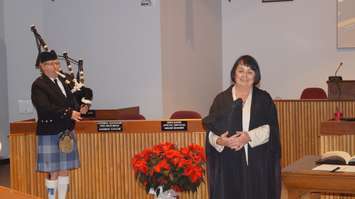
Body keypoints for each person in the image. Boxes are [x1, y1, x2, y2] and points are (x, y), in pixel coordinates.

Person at [202, 55, 281, 199]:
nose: (245, 75)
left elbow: (272, 129)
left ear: (256, 76)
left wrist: (248, 137)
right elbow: (210, 133)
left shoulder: (264, 99)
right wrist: (222, 141)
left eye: (250, 72)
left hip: (256, 164)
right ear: (234, 73)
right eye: (241, 71)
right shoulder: (221, 99)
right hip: (227, 165)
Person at [31, 50, 88, 199]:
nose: (55, 66)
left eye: (56, 63)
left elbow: (73, 101)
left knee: (64, 169)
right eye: (50, 64)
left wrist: (81, 107)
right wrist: (69, 113)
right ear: (42, 67)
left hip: (67, 131)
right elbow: (44, 107)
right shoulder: (39, 85)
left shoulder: (64, 81)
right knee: (53, 170)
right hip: (50, 132)